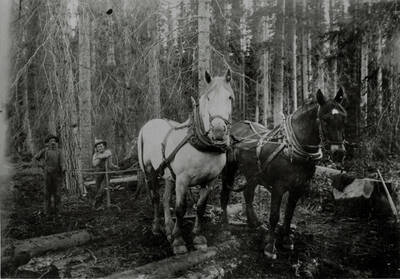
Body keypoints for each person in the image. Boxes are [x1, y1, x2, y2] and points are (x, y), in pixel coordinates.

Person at [33, 135, 65, 216]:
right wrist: (41, 166)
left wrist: (63, 168)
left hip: (57, 175)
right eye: (51, 141)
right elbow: (36, 158)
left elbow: (62, 162)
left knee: (57, 194)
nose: (53, 143)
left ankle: (58, 212)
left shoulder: (59, 151)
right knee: (47, 194)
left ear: (56, 143)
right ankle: (47, 212)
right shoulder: (45, 151)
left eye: (54, 141)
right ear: (48, 143)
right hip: (47, 175)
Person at [92, 139, 119, 208]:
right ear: (96, 148)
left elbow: (110, 164)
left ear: (104, 146)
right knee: (98, 189)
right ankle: (101, 204)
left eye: (101, 146)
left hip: (107, 173)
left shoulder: (108, 151)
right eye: (98, 147)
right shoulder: (95, 155)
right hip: (98, 173)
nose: (100, 148)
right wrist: (101, 157)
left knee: (102, 188)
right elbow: (94, 164)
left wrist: (115, 167)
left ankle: (96, 202)